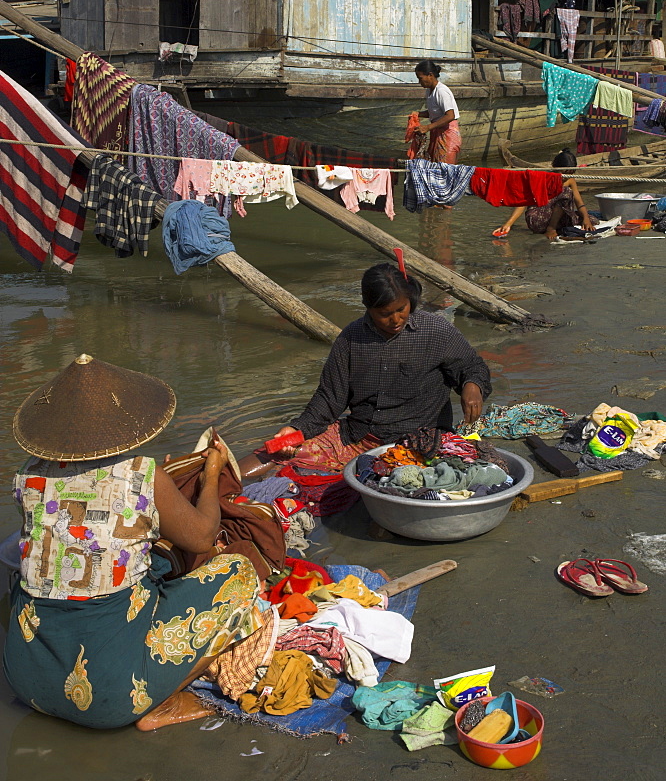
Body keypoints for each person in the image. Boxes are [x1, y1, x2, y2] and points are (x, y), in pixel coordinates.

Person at [3, 354, 263, 731]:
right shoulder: (141, 474)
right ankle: (161, 702)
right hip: (111, 699)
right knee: (238, 574)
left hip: (26, 681)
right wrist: (210, 475)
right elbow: (204, 536)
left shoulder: (28, 477)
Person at [247, 263, 491, 477]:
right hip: (358, 438)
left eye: (401, 309)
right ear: (368, 307)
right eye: (384, 314)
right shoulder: (351, 338)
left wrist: (472, 386)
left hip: (420, 442)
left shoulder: (436, 330)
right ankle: (219, 482)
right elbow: (330, 399)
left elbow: (472, 367)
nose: (395, 319)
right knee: (275, 453)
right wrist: (297, 428)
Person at [494, 150, 596, 241]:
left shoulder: (570, 180)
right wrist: (508, 224)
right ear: (555, 167)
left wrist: (586, 219)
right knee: (566, 192)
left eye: (570, 173)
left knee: (592, 220)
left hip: (556, 217)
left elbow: (579, 202)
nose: (565, 177)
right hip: (538, 220)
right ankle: (551, 228)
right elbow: (523, 203)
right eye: (563, 173)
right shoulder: (541, 178)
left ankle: (554, 227)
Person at [410, 59, 462, 164]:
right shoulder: (429, 91)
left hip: (448, 134)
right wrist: (418, 114)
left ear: (430, 75)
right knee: (435, 165)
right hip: (438, 132)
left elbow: (450, 115)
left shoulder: (441, 91)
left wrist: (427, 127)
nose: (419, 82)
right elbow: (434, 112)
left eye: (420, 78)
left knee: (445, 168)